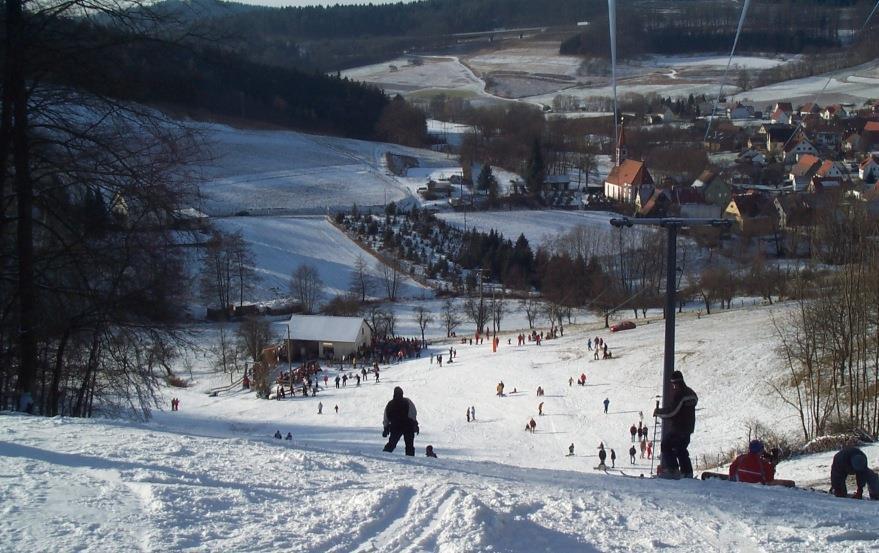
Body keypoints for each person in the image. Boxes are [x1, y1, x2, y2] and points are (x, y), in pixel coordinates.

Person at [654, 370, 698, 479]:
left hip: (679, 427)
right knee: (681, 449)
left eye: (673, 384)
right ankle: (687, 472)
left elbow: (672, 411)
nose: (673, 387)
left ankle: (673, 470)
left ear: (676, 383)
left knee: (666, 445)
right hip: (688, 427)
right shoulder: (691, 392)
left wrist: (658, 412)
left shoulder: (680, 394)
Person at [382, 386, 419, 456]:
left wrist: (385, 427)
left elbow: (386, 416)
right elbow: (413, 413)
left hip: (395, 426)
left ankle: (384, 457)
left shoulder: (390, 403)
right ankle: (410, 459)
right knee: (409, 445)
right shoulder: (407, 401)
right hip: (408, 425)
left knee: (391, 444)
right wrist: (415, 424)